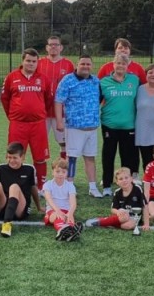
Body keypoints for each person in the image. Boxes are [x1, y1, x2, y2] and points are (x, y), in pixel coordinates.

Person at [1, 48, 52, 189]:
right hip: (18, 124)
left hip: (38, 124)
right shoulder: (11, 77)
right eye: (28, 60)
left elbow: (48, 100)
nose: (31, 64)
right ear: (22, 61)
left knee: (40, 157)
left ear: (37, 62)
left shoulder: (44, 79)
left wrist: (38, 112)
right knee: (14, 155)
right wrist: (14, 115)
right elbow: (5, 99)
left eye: (34, 61)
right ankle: (15, 184)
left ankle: (41, 186)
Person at [54, 54, 103, 198]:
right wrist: (59, 121)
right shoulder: (68, 80)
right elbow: (58, 101)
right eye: (83, 64)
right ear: (77, 65)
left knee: (90, 157)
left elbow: (100, 99)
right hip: (74, 127)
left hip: (92, 128)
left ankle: (92, 187)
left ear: (92, 66)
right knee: (72, 158)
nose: (85, 67)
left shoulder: (95, 81)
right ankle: (69, 186)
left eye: (88, 64)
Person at [99, 53, 140, 196]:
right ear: (113, 64)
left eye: (123, 63)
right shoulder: (104, 82)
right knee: (108, 155)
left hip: (129, 125)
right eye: (118, 63)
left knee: (127, 156)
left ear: (127, 66)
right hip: (109, 125)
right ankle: (107, 185)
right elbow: (96, 101)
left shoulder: (134, 80)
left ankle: (127, 186)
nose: (120, 66)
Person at [39, 36, 76, 160]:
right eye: (51, 44)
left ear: (61, 47)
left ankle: (64, 167)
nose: (53, 47)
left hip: (62, 112)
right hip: (42, 111)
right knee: (40, 141)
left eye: (56, 44)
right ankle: (40, 167)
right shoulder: (39, 63)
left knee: (64, 142)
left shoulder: (68, 64)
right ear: (47, 47)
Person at [85, 168, 149, 233]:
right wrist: (118, 212)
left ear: (131, 179)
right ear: (117, 182)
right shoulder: (117, 192)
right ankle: (100, 221)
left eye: (126, 178)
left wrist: (146, 224)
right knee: (125, 217)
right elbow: (113, 209)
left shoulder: (138, 189)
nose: (124, 180)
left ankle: (109, 222)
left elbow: (145, 206)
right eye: (121, 179)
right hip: (122, 216)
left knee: (128, 226)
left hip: (134, 218)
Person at [42, 158, 83, 241]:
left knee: (69, 219)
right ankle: (61, 231)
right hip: (52, 211)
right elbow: (49, 199)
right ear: (52, 172)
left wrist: (70, 213)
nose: (60, 174)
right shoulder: (48, 185)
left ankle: (70, 232)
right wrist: (57, 211)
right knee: (59, 217)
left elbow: (73, 203)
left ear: (67, 173)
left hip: (66, 211)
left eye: (63, 172)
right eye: (57, 171)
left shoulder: (70, 186)